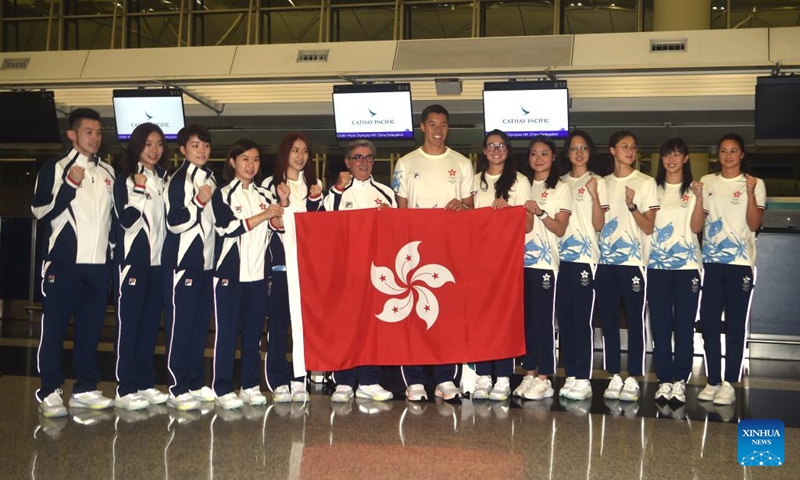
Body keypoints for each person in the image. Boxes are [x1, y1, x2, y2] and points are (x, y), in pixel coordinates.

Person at [31, 107, 116, 417]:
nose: (95, 138)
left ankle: (84, 388)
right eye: (88, 132)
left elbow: (112, 219)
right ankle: (49, 390)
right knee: (54, 328)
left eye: (98, 132)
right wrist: (69, 186)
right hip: (64, 263)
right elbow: (40, 211)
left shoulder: (107, 172)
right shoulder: (54, 167)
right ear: (72, 134)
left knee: (91, 330)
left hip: (97, 265)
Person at [391, 104, 473, 401]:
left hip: (449, 250)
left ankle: (444, 378)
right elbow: (399, 213)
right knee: (413, 313)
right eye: (433, 124)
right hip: (414, 252)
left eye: (443, 125)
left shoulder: (462, 163)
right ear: (422, 127)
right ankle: (414, 379)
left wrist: (462, 207)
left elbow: (471, 208)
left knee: (446, 314)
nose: (438, 130)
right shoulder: (405, 163)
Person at [211, 139, 283, 410]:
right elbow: (227, 228)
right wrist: (265, 216)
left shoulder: (265, 196)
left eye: (255, 159)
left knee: (253, 335)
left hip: (258, 276)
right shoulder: (223, 194)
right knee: (227, 333)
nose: (251, 165)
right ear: (232, 163)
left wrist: (277, 213)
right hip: (230, 275)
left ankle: (251, 385)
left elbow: (277, 227)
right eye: (244, 159)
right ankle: (222, 386)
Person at [324, 139, 395, 403]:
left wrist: (390, 219)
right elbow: (322, 223)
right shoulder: (336, 192)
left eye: (368, 158)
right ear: (347, 162)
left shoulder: (386, 193)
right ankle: (343, 382)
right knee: (345, 327)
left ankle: (369, 380)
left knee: (372, 326)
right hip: (345, 271)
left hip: (377, 271)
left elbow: (397, 235)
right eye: (357, 158)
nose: (363, 163)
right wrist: (338, 190)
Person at [697, 133, 766, 406]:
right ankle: (713, 380)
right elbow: (698, 223)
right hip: (711, 264)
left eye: (733, 151)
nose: (728, 156)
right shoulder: (707, 182)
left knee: (736, 325)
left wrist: (748, 193)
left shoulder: (755, 183)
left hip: (740, 265)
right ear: (718, 154)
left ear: (742, 155)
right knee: (710, 324)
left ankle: (730, 383)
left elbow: (754, 224)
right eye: (724, 151)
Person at [596, 130, 658, 403]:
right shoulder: (600, 183)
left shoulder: (646, 182)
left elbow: (649, 227)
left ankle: (633, 376)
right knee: (608, 320)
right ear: (612, 150)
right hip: (604, 263)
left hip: (634, 264)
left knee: (635, 320)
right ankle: (613, 375)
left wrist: (632, 206)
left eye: (633, 147)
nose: (630, 151)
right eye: (624, 146)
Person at [470, 129, 531, 401]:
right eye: (491, 145)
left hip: (507, 261)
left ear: (508, 150)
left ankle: (504, 376)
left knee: (505, 318)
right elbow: (466, 221)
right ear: (484, 151)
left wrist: (509, 212)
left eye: (502, 145)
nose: (497, 150)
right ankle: (483, 375)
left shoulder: (520, 181)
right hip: (479, 261)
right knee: (481, 317)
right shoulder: (473, 182)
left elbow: (528, 224)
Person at [262, 132, 324, 403]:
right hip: (280, 264)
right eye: (295, 151)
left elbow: (320, 227)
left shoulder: (315, 184)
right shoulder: (268, 184)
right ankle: (277, 380)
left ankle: (300, 377)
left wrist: (314, 200)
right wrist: (283, 202)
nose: (300, 157)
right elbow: (273, 225)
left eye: (305, 151)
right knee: (277, 324)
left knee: (304, 325)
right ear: (285, 153)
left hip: (307, 267)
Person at [112, 122, 170, 411]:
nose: (154, 150)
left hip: (158, 265)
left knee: (149, 327)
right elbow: (126, 221)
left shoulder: (163, 179)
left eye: (159, 144)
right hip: (133, 264)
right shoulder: (124, 179)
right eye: (148, 144)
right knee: (129, 326)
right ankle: (125, 388)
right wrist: (137, 189)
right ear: (137, 146)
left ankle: (145, 383)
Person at [163, 124, 217, 411]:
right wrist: (198, 201)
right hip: (183, 263)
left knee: (198, 327)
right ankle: (176, 386)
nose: (202, 150)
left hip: (206, 265)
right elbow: (175, 222)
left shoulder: (210, 178)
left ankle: (195, 381)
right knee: (181, 326)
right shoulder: (179, 180)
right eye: (195, 145)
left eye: (205, 145)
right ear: (183, 149)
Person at [513, 135, 572, 401]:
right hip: (520, 264)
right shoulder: (521, 185)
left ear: (553, 157)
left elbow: (560, 228)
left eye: (544, 153)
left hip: (546, 264)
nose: (538, 158)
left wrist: (540, 213)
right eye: (534, 154)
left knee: (544, 321)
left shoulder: (560, 187)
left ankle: (545, 376)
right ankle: (529, 371)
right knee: (526, 321)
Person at [647, 138, 703, 405]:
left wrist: (700, 198)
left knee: (683, 325)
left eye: (677, 155)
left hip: (687, 267)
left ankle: (680, 380)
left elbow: (695, 228)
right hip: (657, 266)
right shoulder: (652, 189)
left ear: (686, 158)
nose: (671, 160)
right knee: (659, 325)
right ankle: (664, 379)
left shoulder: (693, 190)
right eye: (667, 155)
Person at [556, 130, 608, 402]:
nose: (578, 153)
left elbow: (599, 224)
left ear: (590, 152)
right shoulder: (559, 182)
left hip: (586, 259)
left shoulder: (597, 181)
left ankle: (584, 377)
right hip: (559, 260)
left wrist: (595, 196)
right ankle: (571, 375)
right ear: (567, 152)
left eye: (583, 148)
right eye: (574, 148)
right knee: (565, 321)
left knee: (582, 320)